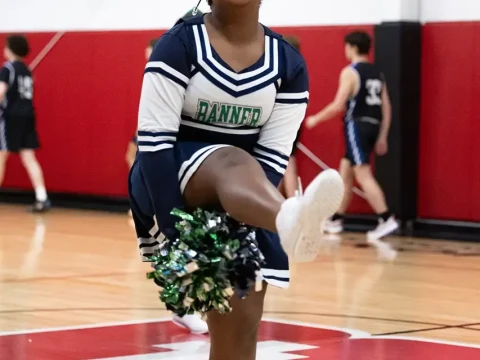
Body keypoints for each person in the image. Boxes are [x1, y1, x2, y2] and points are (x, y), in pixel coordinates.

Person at [129, 1, 344, 359]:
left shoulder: (288, 64)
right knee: (231, 157)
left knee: (240, 326)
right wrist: (173, 233)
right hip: (168, 181)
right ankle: (289, 217)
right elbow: (153, 146)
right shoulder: (179, 45)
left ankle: (288, 218)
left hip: (244, 198)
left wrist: (243, 217)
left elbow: (273, 158)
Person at [305, 31, 398, 241]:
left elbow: (338, 105)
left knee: (362, 174)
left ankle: (386, 218)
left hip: (356, 125)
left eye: (346, 46)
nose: (345, 50)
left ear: (353, 47)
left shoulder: (350, 72)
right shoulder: (377, 72)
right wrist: (383, 135)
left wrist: (315, 119)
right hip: (373, 125)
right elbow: (387, 107)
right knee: (345, 173)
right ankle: (336, 219)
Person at [0, 35, 50, 212]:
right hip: (28, 116)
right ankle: (42, 197)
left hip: (10, 118)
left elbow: (1, 92)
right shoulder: (27, 70)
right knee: (29, 158)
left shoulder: (7, 69)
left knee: (1, 156)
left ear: (11, 49)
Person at [281, 36, 302, 198]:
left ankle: (294, 206)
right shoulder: (299, 67)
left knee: (287, 163)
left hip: (283, 118)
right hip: (294, 115)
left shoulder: (283, 67)